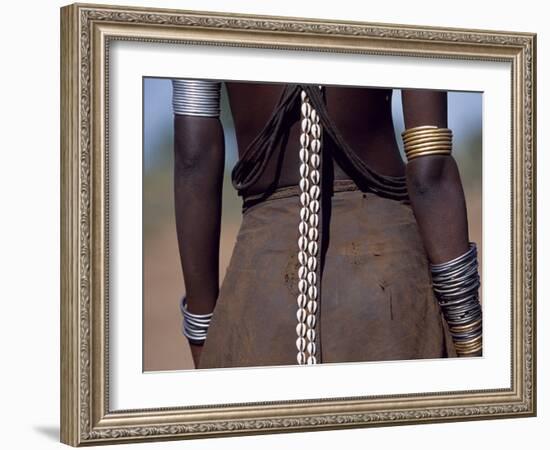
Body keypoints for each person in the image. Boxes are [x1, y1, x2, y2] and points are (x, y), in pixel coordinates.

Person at [172, 79, 482, 369]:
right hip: (388, 283)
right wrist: (469, 337)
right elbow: (430, 173)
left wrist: (205, 343)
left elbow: (193, 157)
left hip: (259, 293)